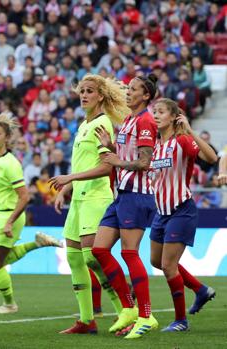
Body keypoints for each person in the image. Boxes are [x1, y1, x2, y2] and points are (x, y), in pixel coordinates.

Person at [49, 74, 130, 334]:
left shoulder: (102, 124)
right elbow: (86, 164)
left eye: (90, 91)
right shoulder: (83, 124)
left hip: (96, 197)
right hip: (79, 199)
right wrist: (68, 188)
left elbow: (107, 166)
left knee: (93, 257)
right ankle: (86, 320)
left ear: (101, 96)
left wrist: (69, 177)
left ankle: (126, 313)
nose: (84, 95)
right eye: (82, 90)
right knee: (73, 257)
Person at [0, 114, 62, 314]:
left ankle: (9, 304)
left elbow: (24, 196)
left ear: (7, 138)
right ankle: (37, 243)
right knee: (1, 260)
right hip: (1, 214)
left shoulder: (10, 163)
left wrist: (10, 222)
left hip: (9, 215)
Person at [91, 74, 160, 338]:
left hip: (137, 196)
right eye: (128, 88)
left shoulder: (145, 121)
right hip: (122, 195)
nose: (128, 92)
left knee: (130, 254)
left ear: (145, 96)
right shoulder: (130, 119)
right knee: (99, 249)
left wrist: (116, 161)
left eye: (133, 90)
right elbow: (128, 156)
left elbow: (144, 162)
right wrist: (111, 147)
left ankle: (146, 315)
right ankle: (129, 309)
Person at [148, 98, 217, 332]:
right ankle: (200, 289)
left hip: (181, 209)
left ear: (173, 116)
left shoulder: (183, 141)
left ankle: (180, 321)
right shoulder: (156, 145)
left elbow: (211, 158)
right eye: (154, 111)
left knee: (168, 266)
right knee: (156, 261)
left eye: (161, 112)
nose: (156, 115)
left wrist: (191, 131)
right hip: (161, 212)